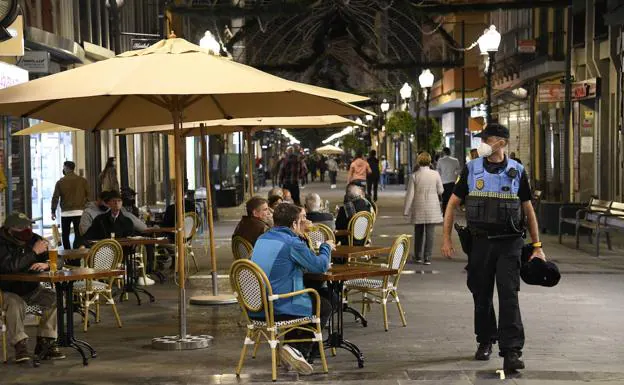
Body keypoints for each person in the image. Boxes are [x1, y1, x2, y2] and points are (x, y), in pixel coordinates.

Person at [441, 123, 545, 372]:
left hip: (509, 243)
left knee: (509, 295)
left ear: (502, 143)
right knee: (481, 294)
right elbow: (452, 204)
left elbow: (528, 210)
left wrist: (537, 246)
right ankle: (485, 340)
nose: (483, 143)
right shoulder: (471, 169)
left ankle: (512, 351)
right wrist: (446, 239)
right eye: (483, 138)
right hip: (480, 244)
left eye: (488, 139)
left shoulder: (517, 171)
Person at [250, 203, 334, 375]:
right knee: (324, 305)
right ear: (294, 224)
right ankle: (298, 351)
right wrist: (326, 247)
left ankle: (292, 348)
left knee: (310, 299)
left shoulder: (262, 239)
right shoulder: (292, 243)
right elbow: (319, 266)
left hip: (255, 307)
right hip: (279, 307)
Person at [0, 213, 65, 363]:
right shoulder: (2, 243)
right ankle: (20, 345)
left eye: (29, 225)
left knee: (54, 298)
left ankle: (46, 342)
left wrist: (48, 264)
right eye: (22, 227)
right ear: (10, 229)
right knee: (14, 303)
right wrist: (34, 252)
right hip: (6, 290)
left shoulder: (34, 239)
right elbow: (9, 267)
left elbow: (59, 258)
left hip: (31, 289)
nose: (27, 229)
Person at [404, 152, 444, 265]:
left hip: (419, 207)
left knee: (418, 233)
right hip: (432, 207)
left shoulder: (415, 175)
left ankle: (418, 256)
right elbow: (441, 190)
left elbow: (410, 194)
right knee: (430, 233)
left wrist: (406, 210)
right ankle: (427, 257)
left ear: (418, 161)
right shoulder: (435, 174)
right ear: (430, 161)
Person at [51, 161, 90, 250]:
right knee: (78, 234)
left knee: (65, 235)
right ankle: (77, 254)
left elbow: (55, 197)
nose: (63, 169)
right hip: (79, 212)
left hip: (66, 213)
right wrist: (84, 205)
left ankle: (68, 255)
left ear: (66, 168)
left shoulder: (60, 182)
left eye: (64, 167)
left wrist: (53, 211)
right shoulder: (83, 181)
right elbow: (88, 195)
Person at [436, 147, 461, 216]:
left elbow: (438, 171)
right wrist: (455, 176)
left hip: (443, 182)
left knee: (444, 199)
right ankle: (450, 213)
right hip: (452, 182)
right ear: (450, 152)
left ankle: (444, 213)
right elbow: (459, 171)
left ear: (443, 152)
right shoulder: (455, 160)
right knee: (450, 198)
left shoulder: (440, 160)